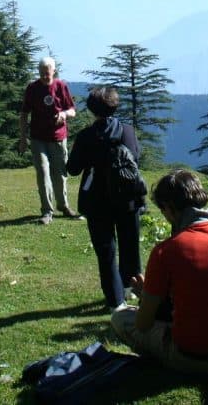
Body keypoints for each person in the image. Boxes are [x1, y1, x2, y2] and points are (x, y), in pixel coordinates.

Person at [111, 170, 208, 374]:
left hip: (187, 359)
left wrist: (146, 296)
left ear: (170, 209)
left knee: (119, 317)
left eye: (163, 210)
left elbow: (143, 324)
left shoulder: (165, 251)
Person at [67, 87, 144, 312]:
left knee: (106, 251)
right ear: (115, 105)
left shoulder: (85, 136)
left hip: (97, 201)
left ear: (91, 110)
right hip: (127, 198)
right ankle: (131, 287)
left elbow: (73, 169)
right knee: (130, 245)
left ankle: (115, 300)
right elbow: (136, 157)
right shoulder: (127, 131)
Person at [19, 57, 80, 224]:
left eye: (48, 73)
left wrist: (63, 114)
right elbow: (24, 114)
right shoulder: (32, 88)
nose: (45, 76)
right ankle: (47, 211)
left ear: (54, 70)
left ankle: (64, 206)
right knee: (43, 173)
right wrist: (23, 139)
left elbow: (73, 110)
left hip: (58, 138)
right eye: (42, 73)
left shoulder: (61, 86)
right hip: (38, 139)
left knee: (60, 174)